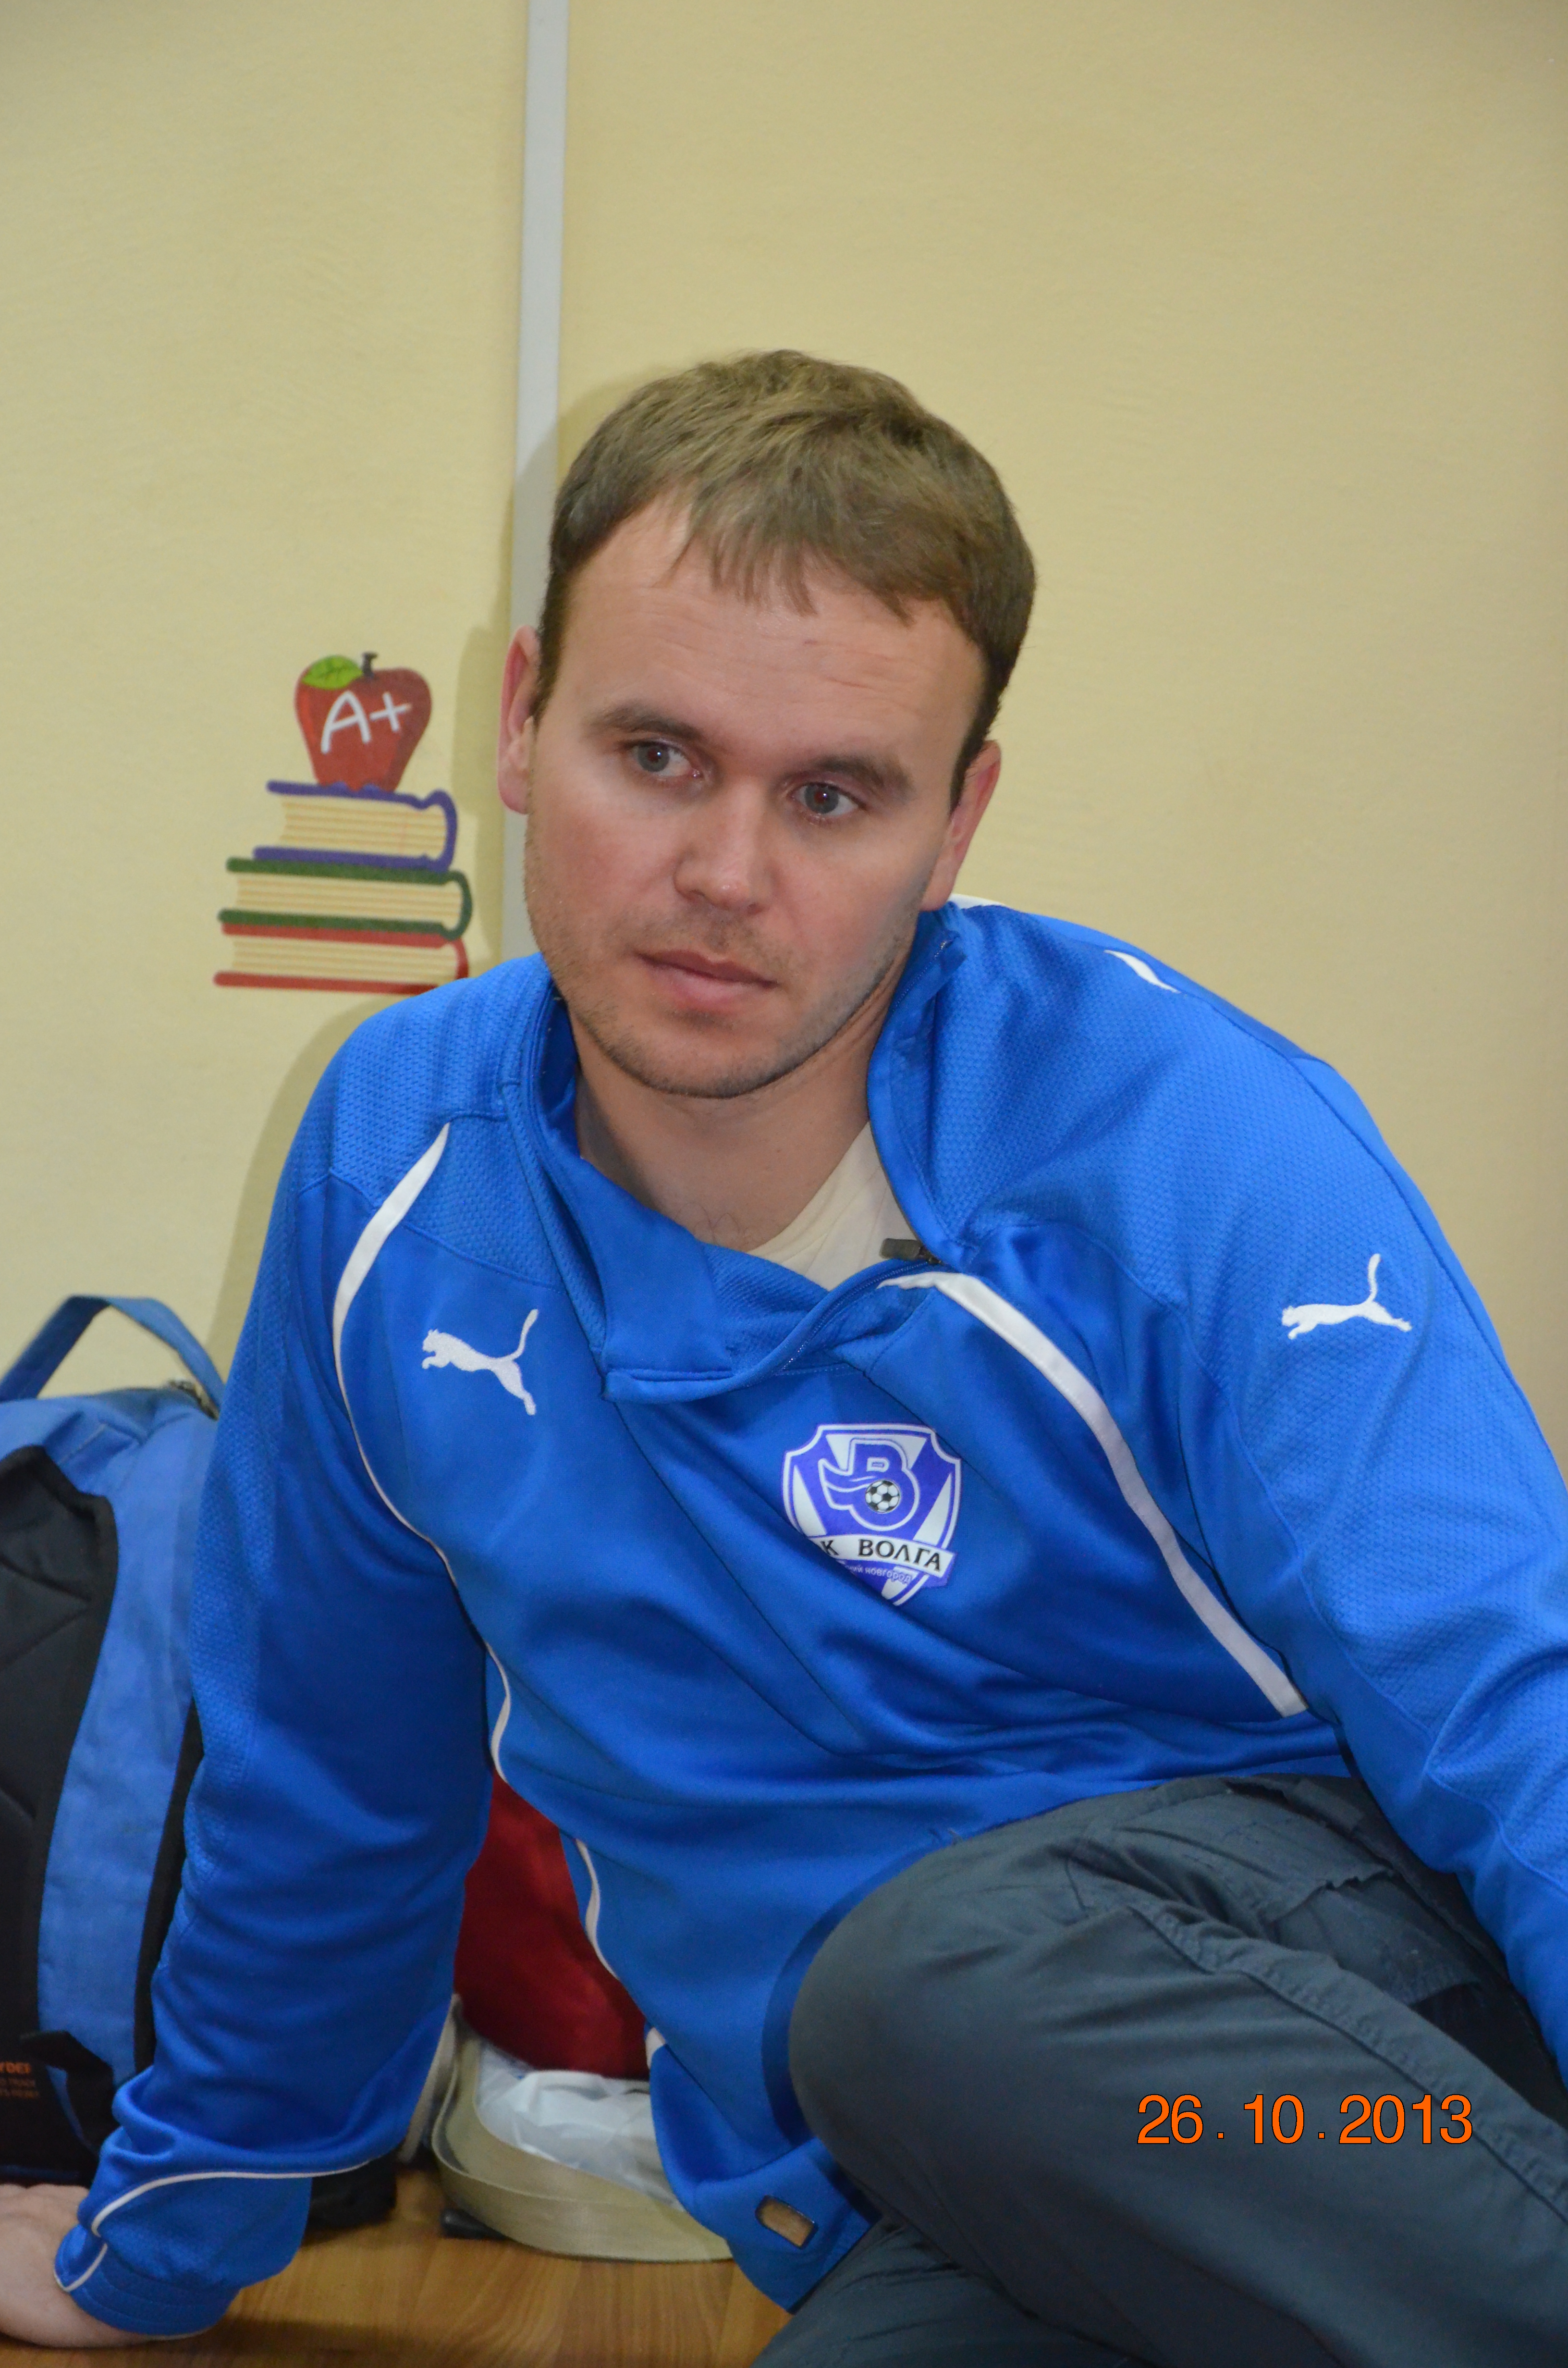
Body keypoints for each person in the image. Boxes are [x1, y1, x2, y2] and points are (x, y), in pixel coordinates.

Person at [4, 350, 1568, 2365]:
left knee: (943, 1980)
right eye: (656, 754)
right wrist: (162, 2243)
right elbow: (331, 1762)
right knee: (919, 2039)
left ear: (956, 819)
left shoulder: (1175, 1137)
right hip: (932, 2173)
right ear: (521, 717)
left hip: (1328, 2100)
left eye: (833, 795)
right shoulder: (393, 1164)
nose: (726, 874)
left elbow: (1510, 1691)